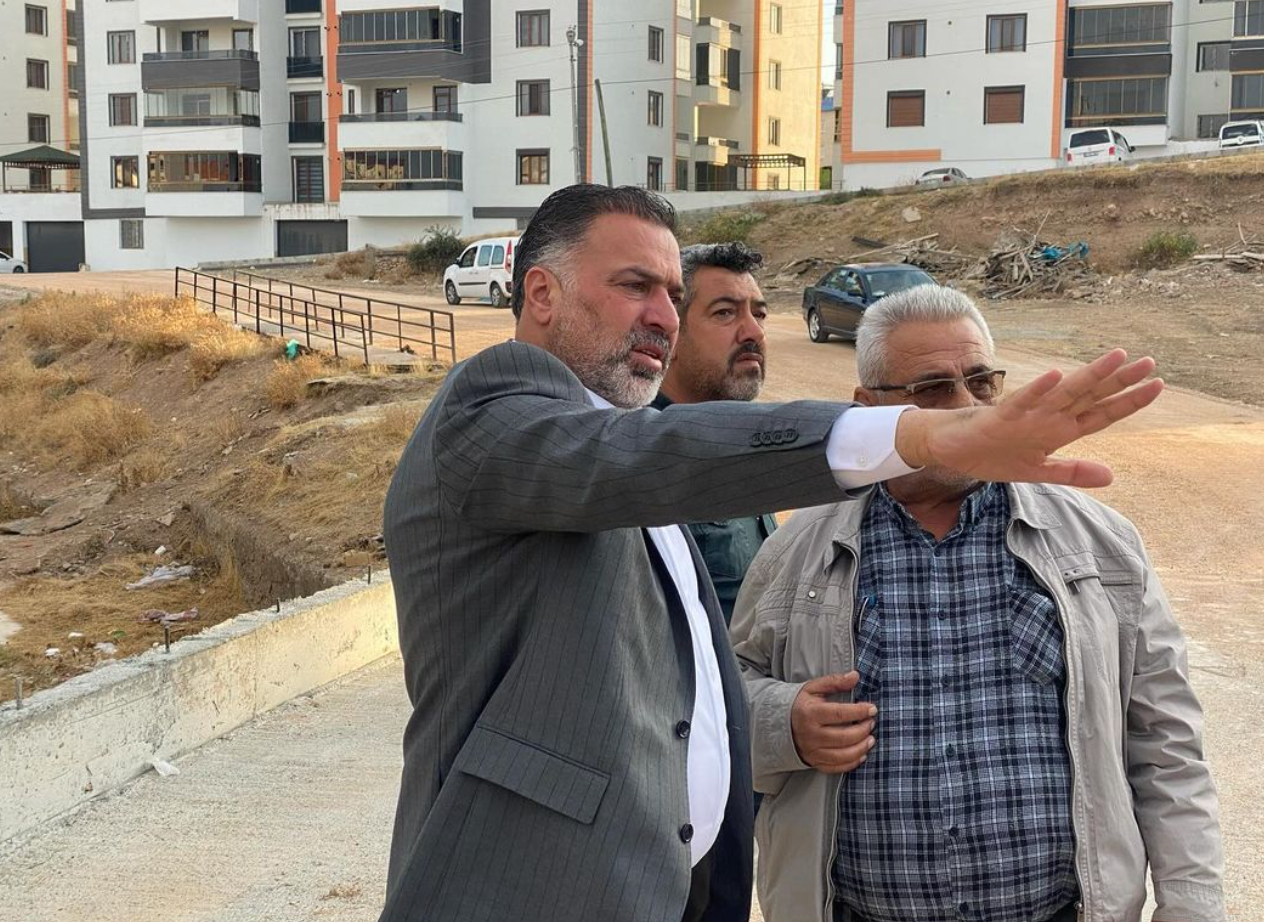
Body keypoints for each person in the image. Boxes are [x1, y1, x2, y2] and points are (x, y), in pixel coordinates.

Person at [380, 184, 1163, 922]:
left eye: (673, 295)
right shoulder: (494, 410)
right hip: (528, 890)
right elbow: (652, 456)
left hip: (662, 886)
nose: (664, 317)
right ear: (542, 293)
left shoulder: (616, 443)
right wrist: (927, 437)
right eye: (634, 286)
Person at [730, 285, 1223, 922]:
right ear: (868, 409)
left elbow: (1167, 745)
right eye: (933, 389)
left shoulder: (1100, 545)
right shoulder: (796, 551)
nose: (966, 406)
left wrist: (1192, 906)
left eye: (981, 382)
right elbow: (718, 700)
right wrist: (784, 724)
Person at [652, 242, 777, 624]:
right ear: (671, 333)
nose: (753, 331)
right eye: (725, 312)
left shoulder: (741, 440)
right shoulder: (643, 463)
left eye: (759, 314)